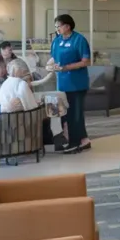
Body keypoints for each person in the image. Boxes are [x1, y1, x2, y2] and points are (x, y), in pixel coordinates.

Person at [49, 13, 92, 154]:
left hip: (76, 84)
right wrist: (50, 66)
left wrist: (66, 67)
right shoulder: (56, 41)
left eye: (59, 26)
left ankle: (76, 141)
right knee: (63, 114)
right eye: (56, 27)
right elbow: (53, 58)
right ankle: (79, 139)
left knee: (75, 114)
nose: (57, 29)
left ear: (67, 26)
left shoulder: (79, 40)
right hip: (61, 84)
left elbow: (86, 61)